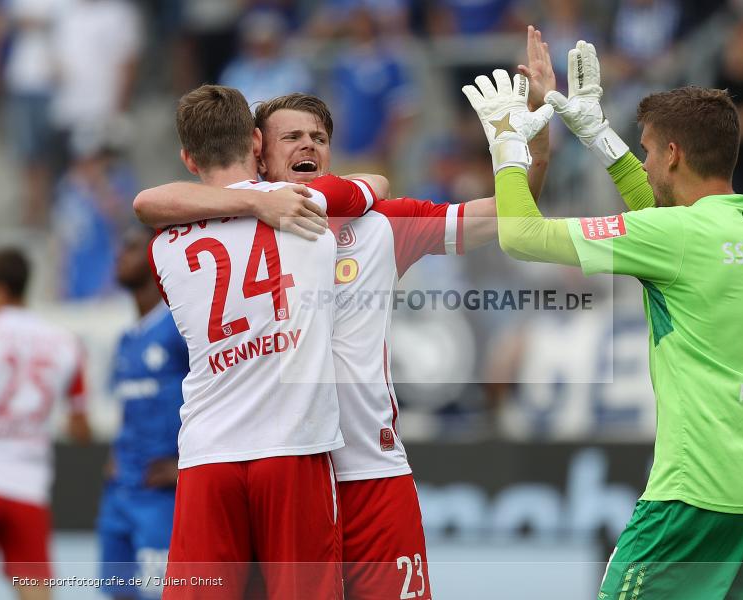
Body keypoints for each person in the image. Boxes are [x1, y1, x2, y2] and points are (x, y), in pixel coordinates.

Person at [134, 85, 551, 599]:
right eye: (292, 137)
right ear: (258, 149)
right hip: (289, 467)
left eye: (319, 137)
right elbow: (153, 202)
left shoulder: (379, 225)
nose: (308, 145)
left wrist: (533, 147)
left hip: (367, 471)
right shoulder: (231, 218)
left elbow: (510, 214)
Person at [462, 30, 743, 599]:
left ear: (673, 154)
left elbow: (521, 236)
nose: (644, 163)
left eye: (648, 151)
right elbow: (665, 219)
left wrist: (506, 144)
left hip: (694, 493)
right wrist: (596, 134)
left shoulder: (677, 236)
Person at [149, 85, 379, 600]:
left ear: (188, 159)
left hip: (207, 454)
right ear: (257, 142)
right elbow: (373, 184)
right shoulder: (307, 204)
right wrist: (260, 199)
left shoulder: (161, 246)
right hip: (293, 448)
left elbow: (147, 203)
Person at [97, 226, 190, 600]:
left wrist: (185, 467)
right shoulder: (127, 339)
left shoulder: (178, 329)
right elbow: (132, 405)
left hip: (161, 495)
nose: (120, 255)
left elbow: (220, 394)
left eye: (132, 248)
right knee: (118, 593)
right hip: (120, 493)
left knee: (159, 593)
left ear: (157, 262)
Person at [0, 248, 91, 600]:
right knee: (35, 589)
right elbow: (80, 427)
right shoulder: (65, 341)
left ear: (1, 289)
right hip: (28, 483)